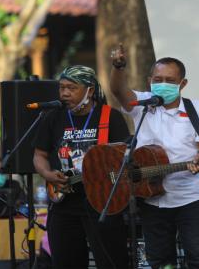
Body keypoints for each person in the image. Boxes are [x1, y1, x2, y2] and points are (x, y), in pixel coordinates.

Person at [110, 46, 199, 268]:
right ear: (149, 80)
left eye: (170, 80)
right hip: (152, 198)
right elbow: (119, 91)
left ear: (183, 84)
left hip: (190, 198)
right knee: (159, 261)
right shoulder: (142, 105)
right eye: (158, 79)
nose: (163, 83)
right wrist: (118, 67)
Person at [32, 65, 130, 268]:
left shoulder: (109, 117)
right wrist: (48, 174)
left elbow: (123, 157)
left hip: (101, 204)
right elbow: (39, 155)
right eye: (61, 88)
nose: (65, 93)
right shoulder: (52, 117)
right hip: (63, 205)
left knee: (111, 262)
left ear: (90, 90)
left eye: (72, 88)